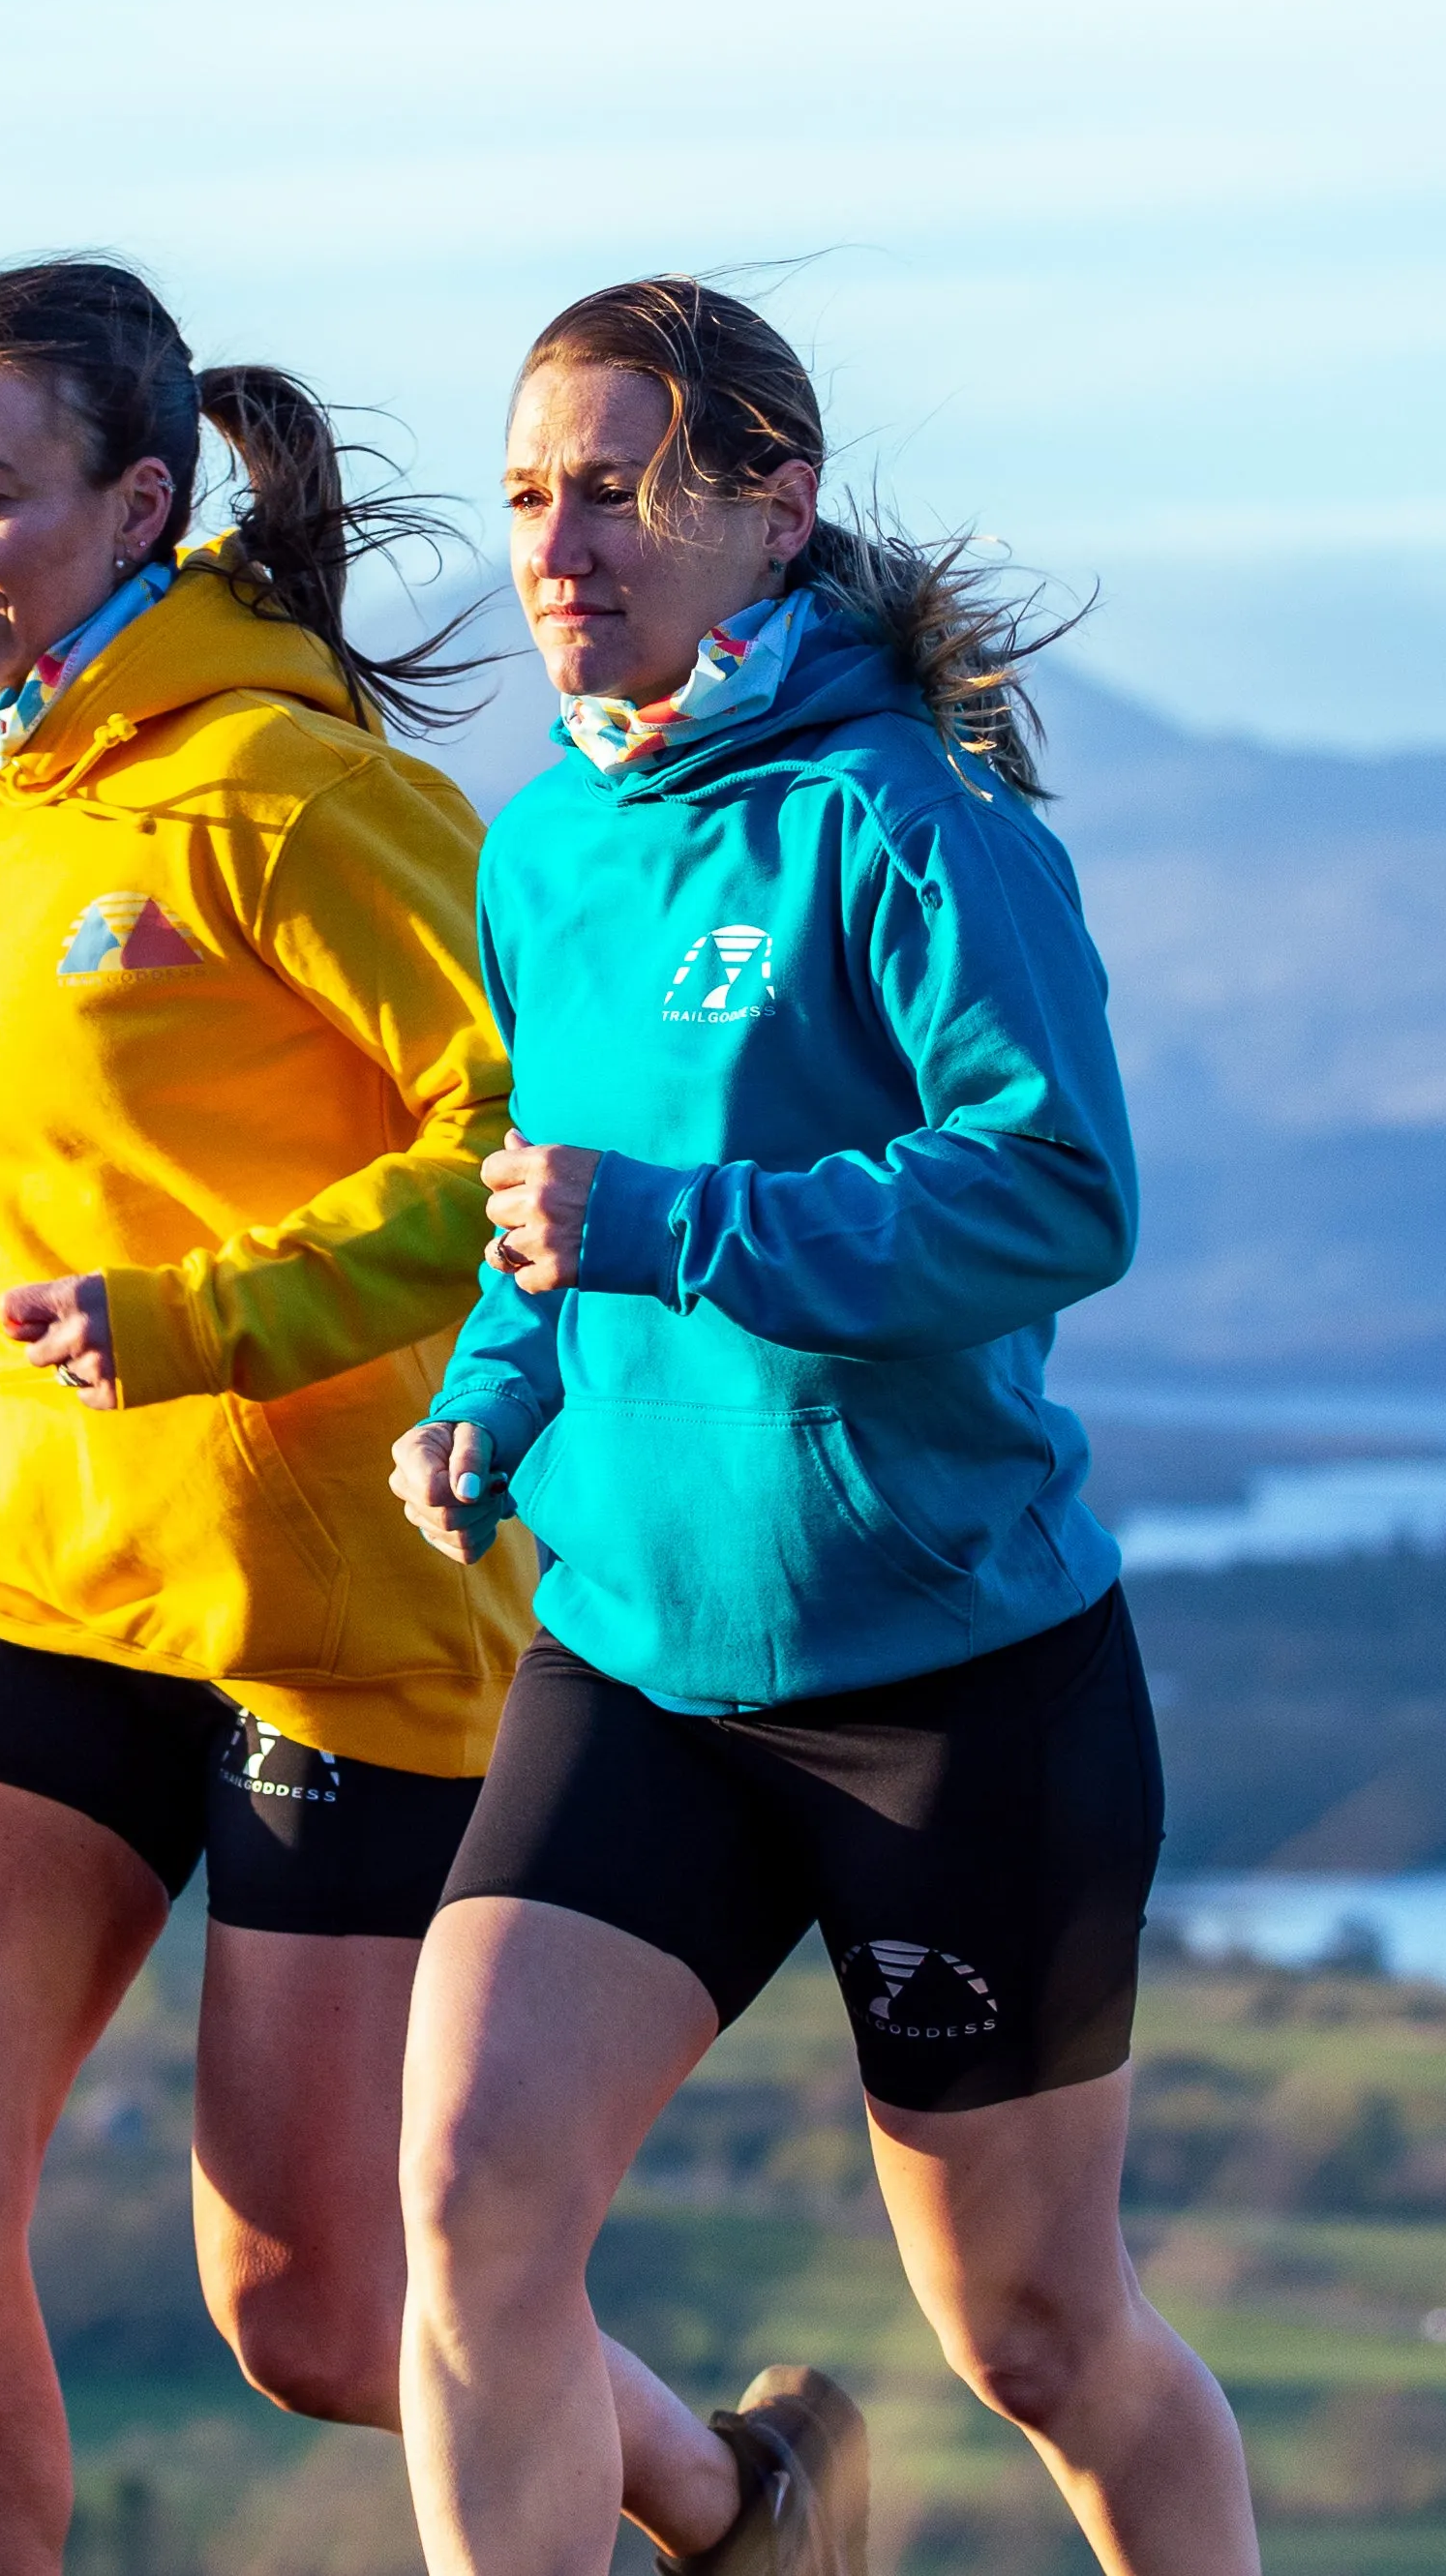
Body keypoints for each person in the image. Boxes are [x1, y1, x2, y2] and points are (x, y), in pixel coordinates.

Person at [0, 257, 746, 2576]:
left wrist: (219, 1321)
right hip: (65, 1563)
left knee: (322, 2310)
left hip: (344, 1597)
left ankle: (744, 2495)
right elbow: (41, 1223)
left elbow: (523, 1134)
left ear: (141, 499)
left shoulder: (292, 792)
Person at [389, 276, 1259, 2576]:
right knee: (469, 2195)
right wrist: (491, 1399)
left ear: (774, 508)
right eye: (530, 497)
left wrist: (674, 1225)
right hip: (637, 1656)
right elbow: (541, 1210)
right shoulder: (545, 850)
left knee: (1043, 2337)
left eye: (619, 488)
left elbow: (1059, 1189)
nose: (558, 546)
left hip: (948, 1686)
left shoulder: (909, 823)